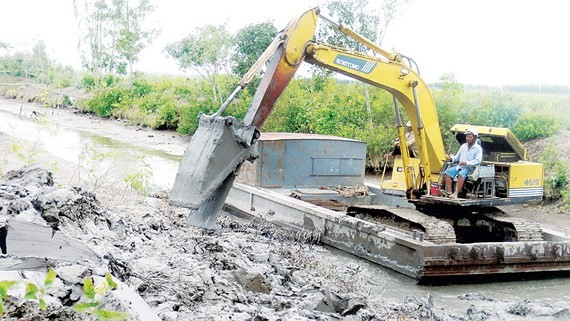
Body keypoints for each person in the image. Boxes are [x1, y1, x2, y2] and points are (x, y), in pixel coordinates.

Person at [443, 128, 482, 199]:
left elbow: (478, 160)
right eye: (467, 136)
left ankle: (456, 193)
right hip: (460, 166)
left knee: (461, 174)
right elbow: (457, 157)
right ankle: (449, 192)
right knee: (447, 173)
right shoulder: (463, 146)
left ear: (475, 138)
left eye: (470, 137)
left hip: (470, 169)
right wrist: (451, 158)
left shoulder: (478, 148)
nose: (468, 138)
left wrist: (467, 163)